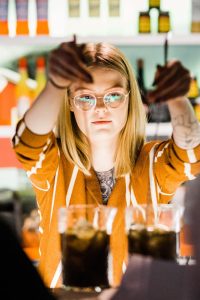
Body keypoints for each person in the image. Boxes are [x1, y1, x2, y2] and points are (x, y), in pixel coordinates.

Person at [12, 37, 200, 288]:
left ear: (130, 99)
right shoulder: (53, 165)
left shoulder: (153, 164)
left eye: (113, 96)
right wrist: (55, 85)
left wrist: (177, 99)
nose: (100, 107)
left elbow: (191, 156)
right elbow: (27, 143)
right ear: (69, 102)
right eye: (86, 97)